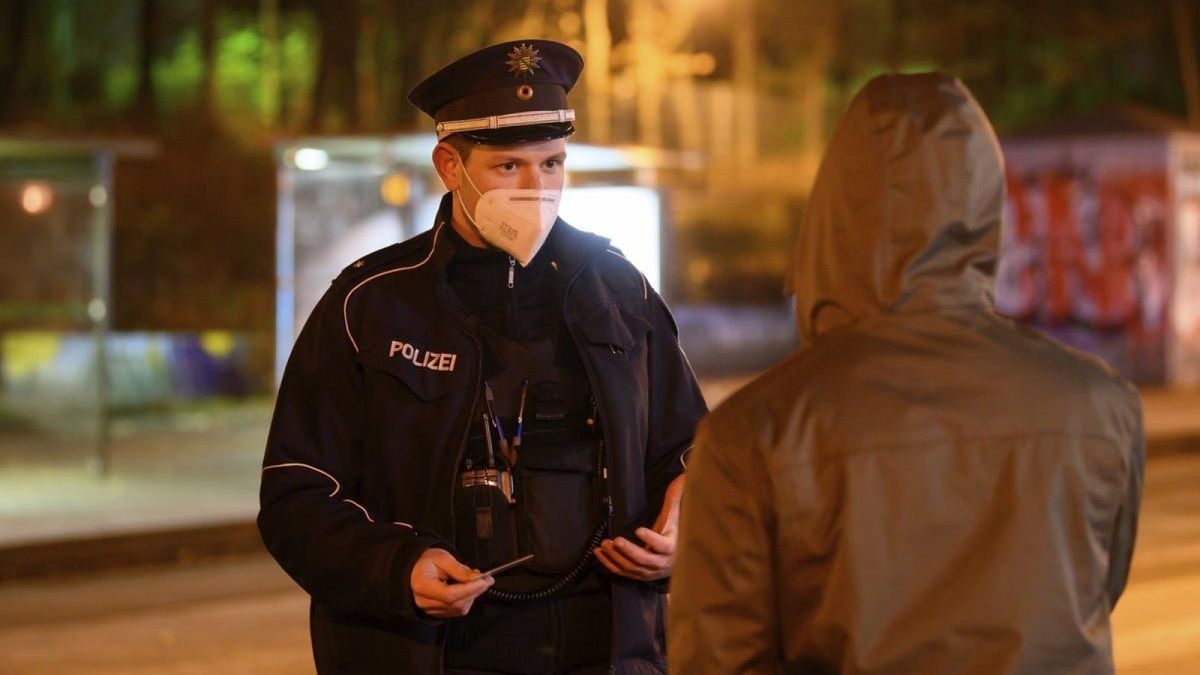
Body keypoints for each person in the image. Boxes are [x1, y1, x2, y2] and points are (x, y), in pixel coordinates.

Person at [668, 73, 1144, 674]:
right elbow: (1096, 590)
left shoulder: (752, 434)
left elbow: (718, 660)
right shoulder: (1101, 405)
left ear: (834, 213)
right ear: (984, 204)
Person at [258, 39, 706, 675]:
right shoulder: (372, 303)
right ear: (450, 165)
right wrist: (396, 568)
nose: (536, 189)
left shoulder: (621, 291)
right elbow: (297, 495)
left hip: (607, 654)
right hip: (433, 654)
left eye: (552, 164)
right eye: (508, 168)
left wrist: (685, 525)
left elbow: (692, 453)